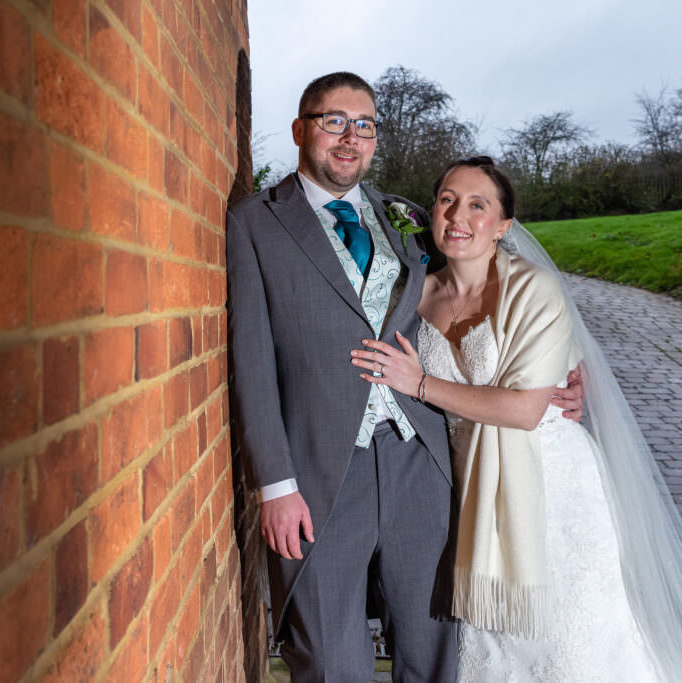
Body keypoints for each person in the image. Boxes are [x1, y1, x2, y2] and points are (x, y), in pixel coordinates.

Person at [226, 74, 582, 682]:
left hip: (421, 459)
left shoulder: (408, 219)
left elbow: (480, 292)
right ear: (300, 129)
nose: (349, 137)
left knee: (435, 647)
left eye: (364, 125)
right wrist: (275, 485)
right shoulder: (255, 222)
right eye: (333, 120)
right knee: (331, 656)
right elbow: (251, 359)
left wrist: (562, 375)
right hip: (318, 468)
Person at [351, 156, 682, 681]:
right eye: (447, 200)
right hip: (472, 491)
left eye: (478, 205)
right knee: (497, 648)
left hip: (555, 489)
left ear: (504, 226)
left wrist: (419, 382)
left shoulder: (534, 291)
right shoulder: (412, 297)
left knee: (574, 643)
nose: (458, 215)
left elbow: (527, 410)